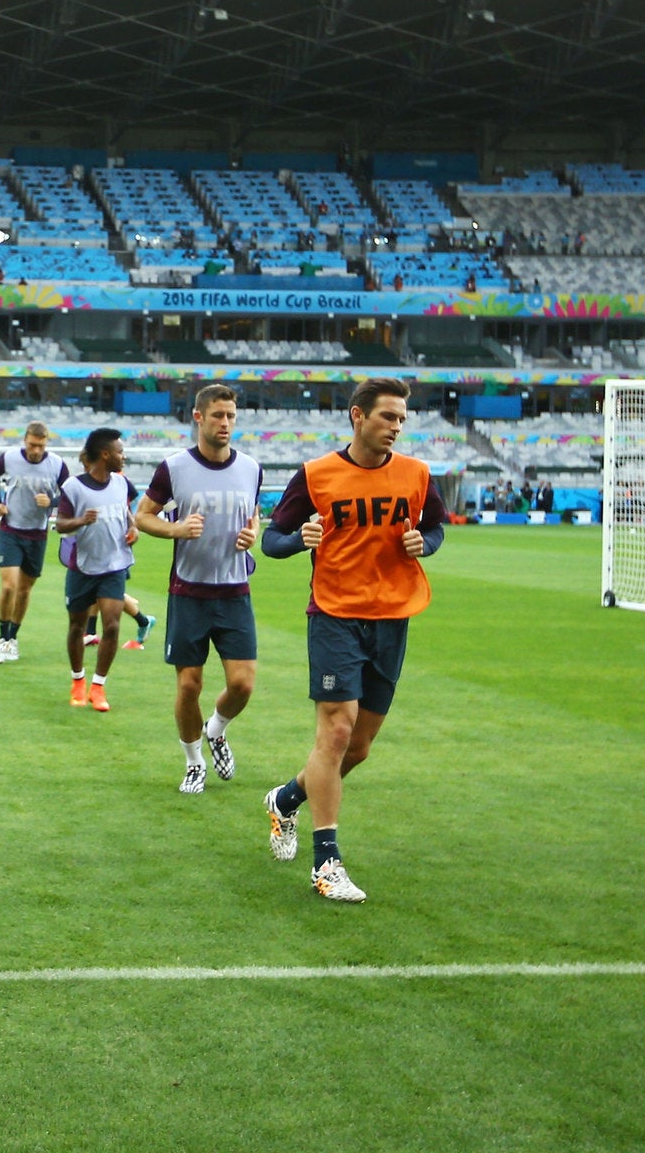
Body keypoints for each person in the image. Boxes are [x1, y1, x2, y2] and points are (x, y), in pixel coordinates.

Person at [259, 377, 446, 903]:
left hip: (394, 615)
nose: (396, 427)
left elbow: (435, 527)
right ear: (357, 416)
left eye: (402, 419)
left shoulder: (416, 474)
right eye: (388, 416)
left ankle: (286, 798)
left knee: (358, 747)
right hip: (335, 613)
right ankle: (327, 864)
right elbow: (273, 538)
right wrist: (299, 539)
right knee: (336, 733)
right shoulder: (317, 475)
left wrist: (423, 543)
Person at [135, 384, 263, 794]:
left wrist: (252, 534)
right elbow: (142, 516)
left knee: (242, 685)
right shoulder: (174, 468)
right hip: (189, 592)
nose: (225, 424)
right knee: (189, 685)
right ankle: (193, 763)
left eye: (231, 416)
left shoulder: (251, 468)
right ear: (198, 417)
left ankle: (217, 729)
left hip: (234, 591)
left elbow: (254, 513)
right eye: (217, 416)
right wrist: (176, 528)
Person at [54, 428, 139, 713]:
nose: (122, 456)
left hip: (114, 565)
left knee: (112, 626)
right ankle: (77, 680)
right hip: (83, 567)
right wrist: (81, 521)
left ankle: (99, 687)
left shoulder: (122, 483)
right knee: (77, 627)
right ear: (105, 454)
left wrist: (132, 527)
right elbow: (60, 524)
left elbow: (125, 511)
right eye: (119, 451)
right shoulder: (74, 487)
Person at [0, 421, 69, 664]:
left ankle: (12, 638)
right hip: (10, 530)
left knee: (24, 590)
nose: (36, 450)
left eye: (41, 446)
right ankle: (1, 639)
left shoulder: (56, 464)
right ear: (25, 440)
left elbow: (69, 492)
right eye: (33, 445)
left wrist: (52, 502)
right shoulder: (10, 458)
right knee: (9, 586)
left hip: (37, 534)